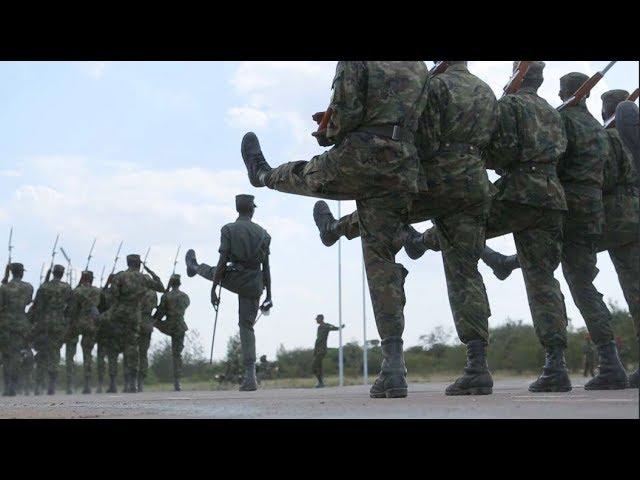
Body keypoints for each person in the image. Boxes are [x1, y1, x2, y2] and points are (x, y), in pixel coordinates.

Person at [308, 61, 498, 396]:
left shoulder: (435, 85)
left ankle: (393, 363)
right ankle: (477, 363)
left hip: (436, 181)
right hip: (475, 183)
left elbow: (419, 135)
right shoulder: (486, 91)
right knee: (466, 272)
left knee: (379, 225)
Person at [402, 62, 573, 392]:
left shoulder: (510, 105)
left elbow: (498, 151)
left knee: (460, 244)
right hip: (552, 197)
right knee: (543, 279)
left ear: (517, 74)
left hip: (517, 194)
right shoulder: (554, 113)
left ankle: (477, 364)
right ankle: (556, 363)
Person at [185, 194, 272, 392]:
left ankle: (194, 266)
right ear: (252, 210)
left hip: (235, 277)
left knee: (211, 270)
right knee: (246, 326)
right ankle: (251, 378)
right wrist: (269, 295)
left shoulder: (228, 229)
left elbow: (223, 261)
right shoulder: (264, 234)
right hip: (254, 282)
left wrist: (213, 288)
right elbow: (266, 267)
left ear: (237, 209)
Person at [109, 255, 164, 393]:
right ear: (139, 264)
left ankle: (128, 382)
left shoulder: (120, 277)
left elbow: (112, 296)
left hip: (124, 317)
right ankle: (138, 383)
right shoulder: (144, 278)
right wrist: (150, 271)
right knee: (140, 352)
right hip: (140, 318)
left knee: (126, 348)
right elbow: (161, 287)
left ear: (128, 263)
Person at [31, 264, 72, 395]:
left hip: (44, 324)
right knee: (54, 353)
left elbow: (37, 306)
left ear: (53, 272)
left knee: (42, 353)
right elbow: (70, 307)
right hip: (59, 324)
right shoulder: (66, 287)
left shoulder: (44, 287)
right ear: (62, 273)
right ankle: (51, 386)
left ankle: (38, 385)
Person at [64, 270, 101, 394]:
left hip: (76, 323)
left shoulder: (77, 292)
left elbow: (72, 309)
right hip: (90, 324)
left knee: (70, 353)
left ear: (82, 279)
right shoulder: (96, 291)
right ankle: (87, 385)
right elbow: (97, 306)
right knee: (87, 354)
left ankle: (70, 385)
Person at [0, 263, 34, 396]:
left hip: (5, 324)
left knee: (6, 354)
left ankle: (8, 385)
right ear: (22, 272)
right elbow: (27, 302)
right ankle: (14, 385)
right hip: (21, 323)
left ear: (12, 272)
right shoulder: (28, 287)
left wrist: (4, 282)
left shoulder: (4, 287)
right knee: (16, 354)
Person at [153, 274, 190, 391]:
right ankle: (177, 381)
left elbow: (160, 314)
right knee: (177, 354)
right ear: (179, 283)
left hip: (168, 325)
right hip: (180, 325)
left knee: (151, 322)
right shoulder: (185, 296)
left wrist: (166, 293)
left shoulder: (166, 296)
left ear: (171, 283)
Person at [138, 274, 160, 392]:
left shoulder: (137, 291)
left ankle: (132, 380)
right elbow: (156, 307)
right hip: (147, 322)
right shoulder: (153, 293)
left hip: (135, 321)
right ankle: (140, 381)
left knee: (133, 352)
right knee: (143, 353)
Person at [311, 314, 344, 388]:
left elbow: (334, 328)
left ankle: (321, 382)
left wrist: (340, 327)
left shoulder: (326, 326)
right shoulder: (319, 327)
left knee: (314, 366)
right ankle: (321, 383)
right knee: (318, 367)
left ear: (321, 319)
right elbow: (318, 339)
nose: (316, 320)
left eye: (317, 319)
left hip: (322, 350)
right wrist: (315, 350)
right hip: (317, 349)